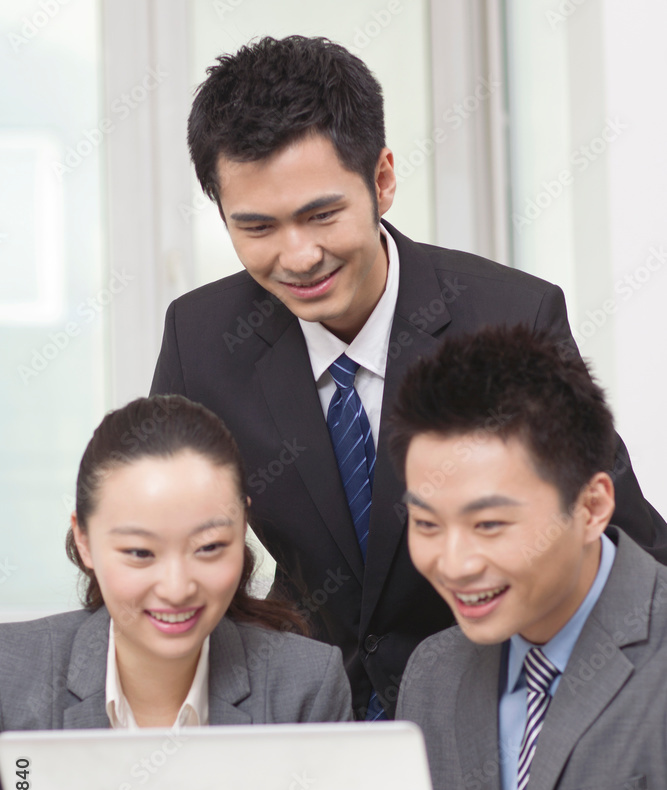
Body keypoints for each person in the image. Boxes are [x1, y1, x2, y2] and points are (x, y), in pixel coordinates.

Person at [151, 35, 667, 721]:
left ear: (383, 180)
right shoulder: (202, 337)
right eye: (257, 228)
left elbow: (622, 538)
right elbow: (166, 541)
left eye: (321, 214)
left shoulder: (508, 314)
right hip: (309, 715)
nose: (297, 256)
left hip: (492, 705)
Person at [0, 394, 352, 790]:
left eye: (210, 548)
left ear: (244, 532)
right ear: (85, 541)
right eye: (140, 553)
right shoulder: (10, 675)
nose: (178, 586)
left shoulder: (304, 683)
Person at [393, 324, 667, 790]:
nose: (455, 563)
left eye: (489, 524)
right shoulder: (434, 672)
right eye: (426, 524)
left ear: (593, 506)